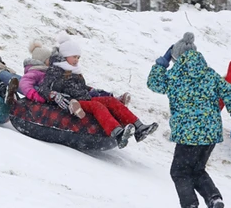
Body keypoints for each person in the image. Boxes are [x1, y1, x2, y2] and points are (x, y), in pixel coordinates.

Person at [147, 32, 231, 208]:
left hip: (188, 133)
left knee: (179, 171)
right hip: (210, 132)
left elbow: (153, 83)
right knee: (197, 169)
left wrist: (163, 61)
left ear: (176, 57)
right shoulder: (209, 73)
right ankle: (214, 198)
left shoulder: (175, 75)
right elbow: (228, 91)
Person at [31, 35, 159, 149]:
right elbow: (43, 88)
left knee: (110, 101)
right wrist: (54, 95)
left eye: (78, 57)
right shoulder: (56, 70)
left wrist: (95, 91)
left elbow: (82, 87)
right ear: (65, 55)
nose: (76, 60)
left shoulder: (73, 71)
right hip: (73, 102)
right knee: (97, 106)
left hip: (84, 98)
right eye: (74, 57)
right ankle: (117, 133)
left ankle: (139, 128)